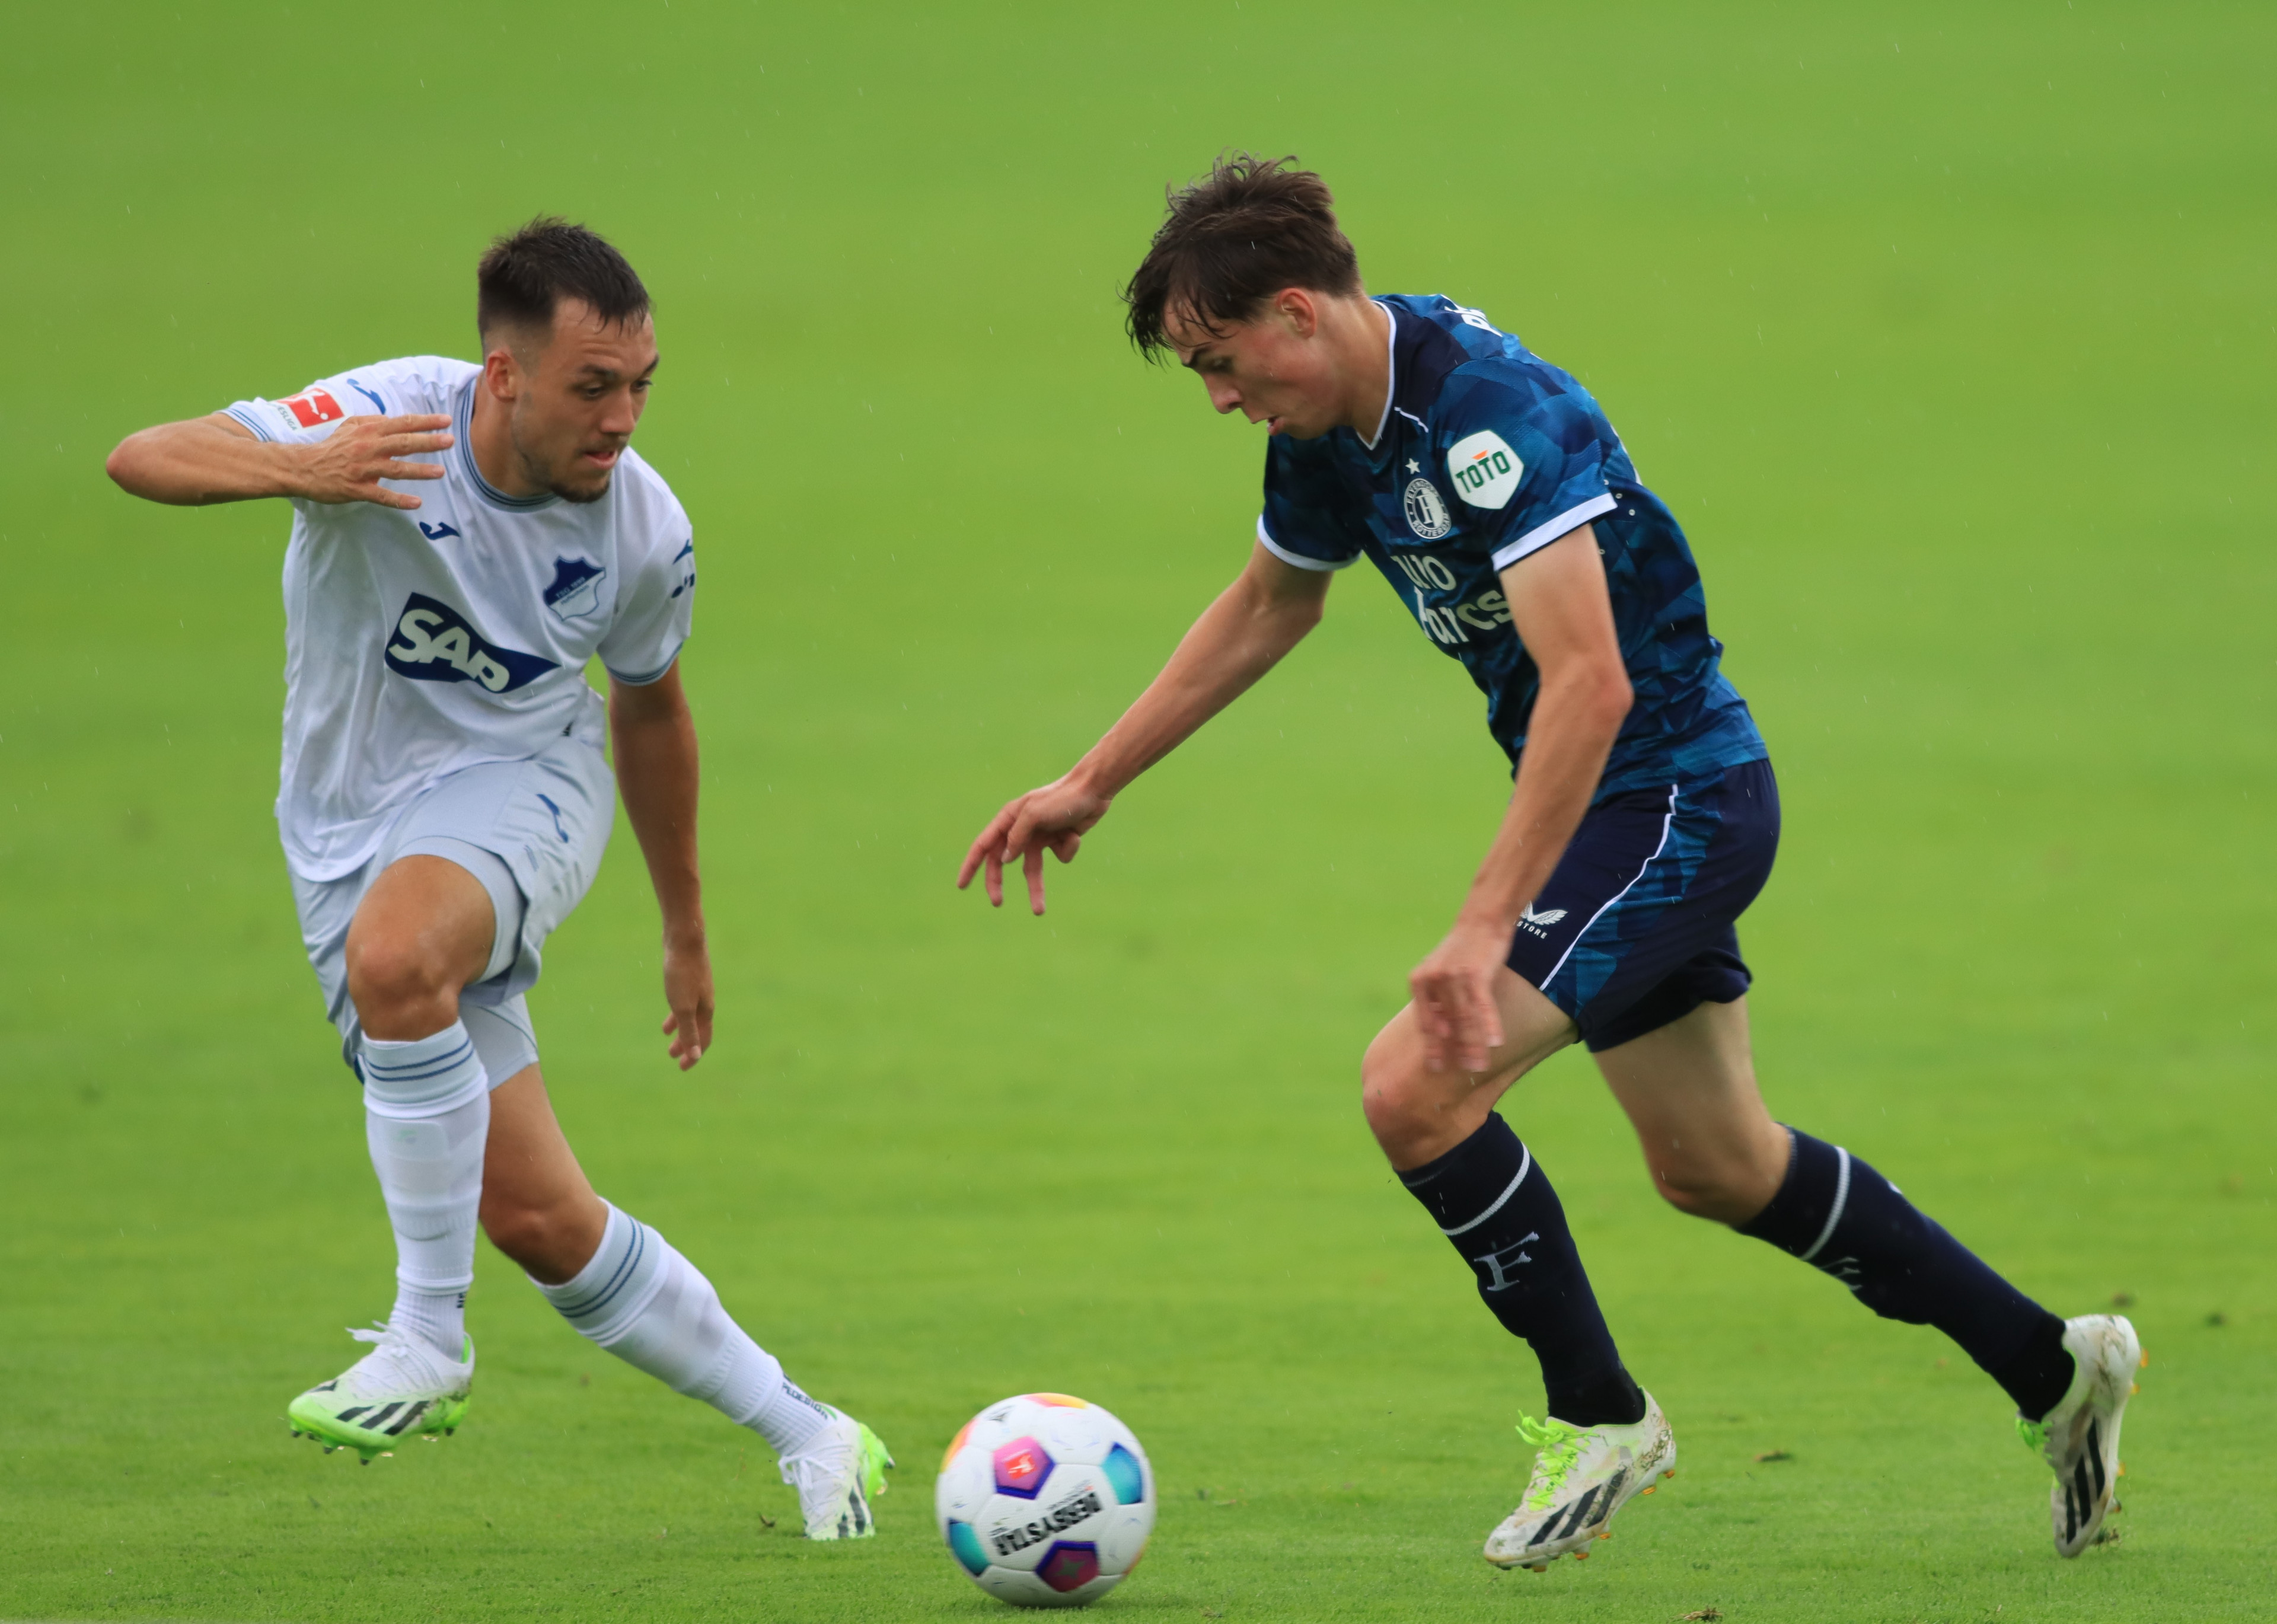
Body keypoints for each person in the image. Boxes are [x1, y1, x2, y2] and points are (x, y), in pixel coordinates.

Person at [958, 157, 2136, 1568]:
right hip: (1608, 807)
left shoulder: (1491, 421)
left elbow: (1592, 686)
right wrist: (1093, 777)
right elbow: (1276, 598)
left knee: (1414, 1083)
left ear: (1296, 311)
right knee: (1718, 1164)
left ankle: (1603, 1416)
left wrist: (1481, 924)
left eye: (1222, 361)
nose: (1220, 394)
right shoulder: (1330, 420)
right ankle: (2057, 1368)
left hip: (1676, 798)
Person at [106, 218, 891, 1540]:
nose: (625, 416)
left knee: (401, 950)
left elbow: (651, 715)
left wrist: (685, 925)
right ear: (502, 374)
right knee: (538, 1213)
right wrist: (301, 467)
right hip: (344, 828)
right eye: (596, 386)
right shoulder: (384, 421)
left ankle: (428, 1333)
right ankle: (813, 1430)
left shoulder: (645, 531)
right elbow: (141, 458)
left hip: (530, 787)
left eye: (644, 382)